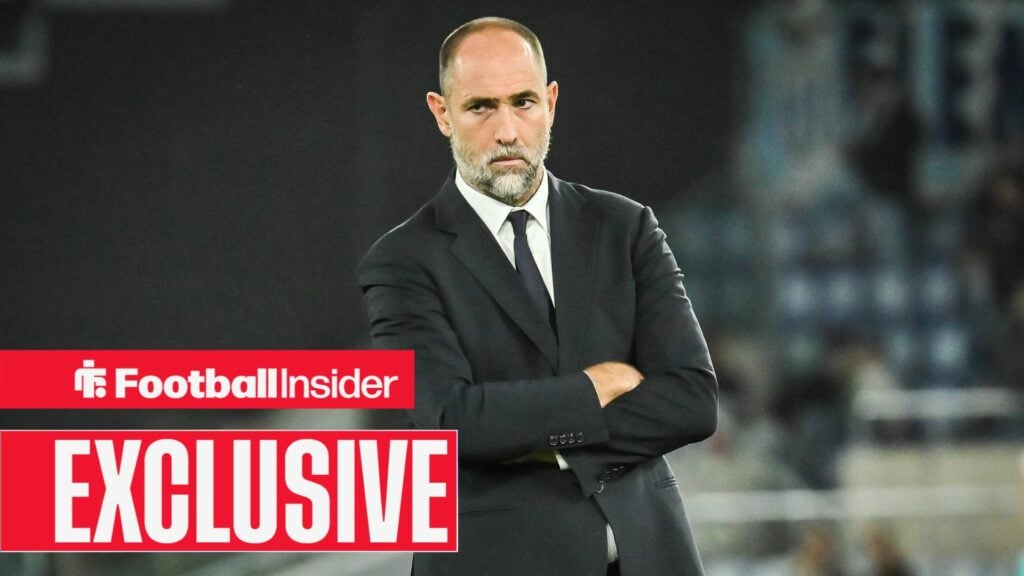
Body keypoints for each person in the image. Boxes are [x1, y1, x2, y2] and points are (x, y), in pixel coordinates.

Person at [358, 17, 717, 576]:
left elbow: (692, 401)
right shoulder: (402, 260)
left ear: (549, 102)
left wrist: (536, 439)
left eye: (523, 102)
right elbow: (448, 422)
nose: (507, 130)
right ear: (442, 113)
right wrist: (595, 388)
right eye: (481, 107)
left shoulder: (626, 227)